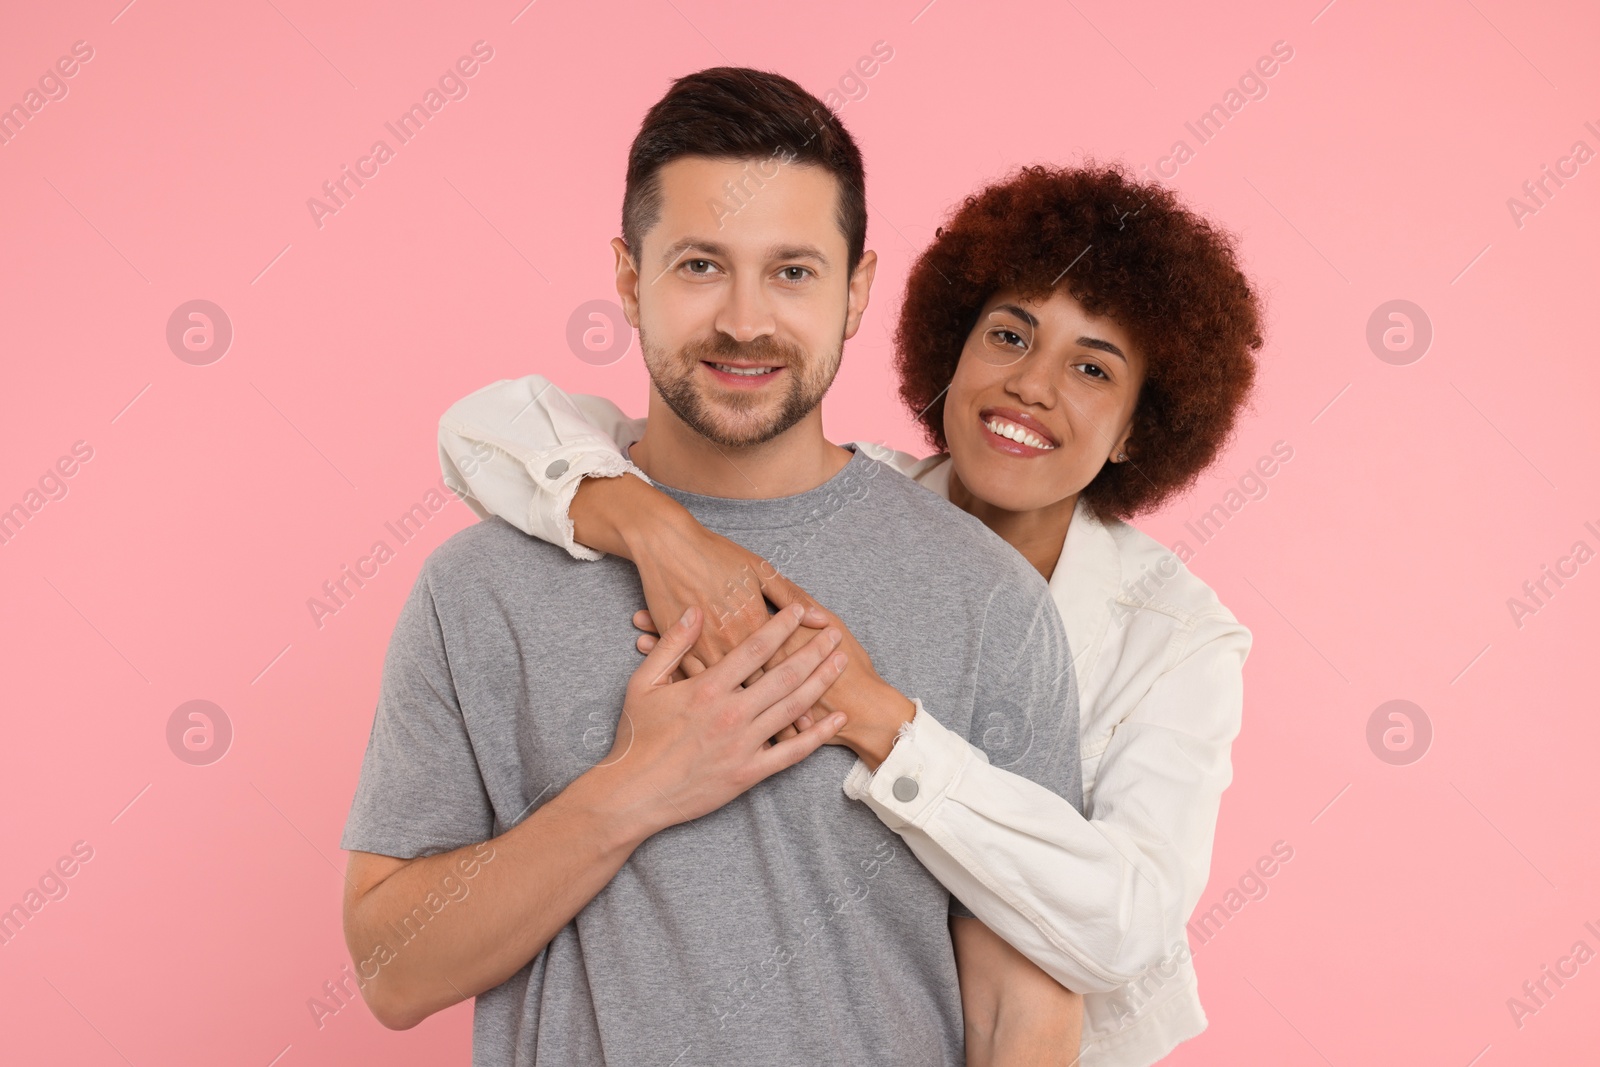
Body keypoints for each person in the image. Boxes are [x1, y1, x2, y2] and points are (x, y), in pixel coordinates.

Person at [437, 161, 1264, 1064]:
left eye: (1092, 367)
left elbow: (1120, 926)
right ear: (954, 345)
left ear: (1141, 426)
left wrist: (874, 715)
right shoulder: (836, 498)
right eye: (1009, 335)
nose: (1033, 385)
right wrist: (654, 526)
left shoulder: (1175, 637)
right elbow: (486, 428)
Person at [341, 67, 1086, 1066]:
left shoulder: (990, 601)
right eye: (700, 265)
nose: (744, 319)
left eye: (792, 271)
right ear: (627, 277)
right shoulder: (477, 588)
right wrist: (637, 786)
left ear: (856, 288)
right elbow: (392, 970)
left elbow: (1022, 1011)